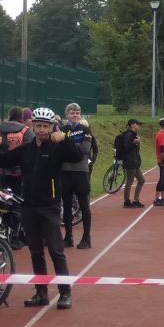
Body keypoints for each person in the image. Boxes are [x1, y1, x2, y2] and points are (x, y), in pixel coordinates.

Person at [0, 106, 80, 308]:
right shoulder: (26, 149)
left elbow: (77, 157)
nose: (41, 130)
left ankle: (65, 293)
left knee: (56, 251)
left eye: (45, 127)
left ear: (50, 128)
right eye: (38, 126)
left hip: (49, 207)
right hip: (28, 207)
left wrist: (65, 139)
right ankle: (41, 293)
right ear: (32, 126)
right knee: (36, 252)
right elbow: (2, 161)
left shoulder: (57, 147)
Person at [58, 102, 97, 248]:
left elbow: (85, 149)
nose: (75, 115)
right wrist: (74, 148)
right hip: (65, 171)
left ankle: (86, 238)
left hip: (81, 171)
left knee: (83, 205)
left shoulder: (85, 129)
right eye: (72, 113)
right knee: (66, 205)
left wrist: (67, 145)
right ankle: (68, 237)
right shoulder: (62, 129)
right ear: (67, 114)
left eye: (77, 113)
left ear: (80, 115)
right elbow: (59, 150)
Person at [114, 117, 145, 207]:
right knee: (129, 181)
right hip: (130, 161)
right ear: (132, 125)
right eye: (137, 124)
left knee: (141, 180)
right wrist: (135, 142)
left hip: (134, 161)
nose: (139, 126)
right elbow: (126, 148)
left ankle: (136, 200)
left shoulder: (134, 134)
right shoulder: (128, 135)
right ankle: (127, 201)